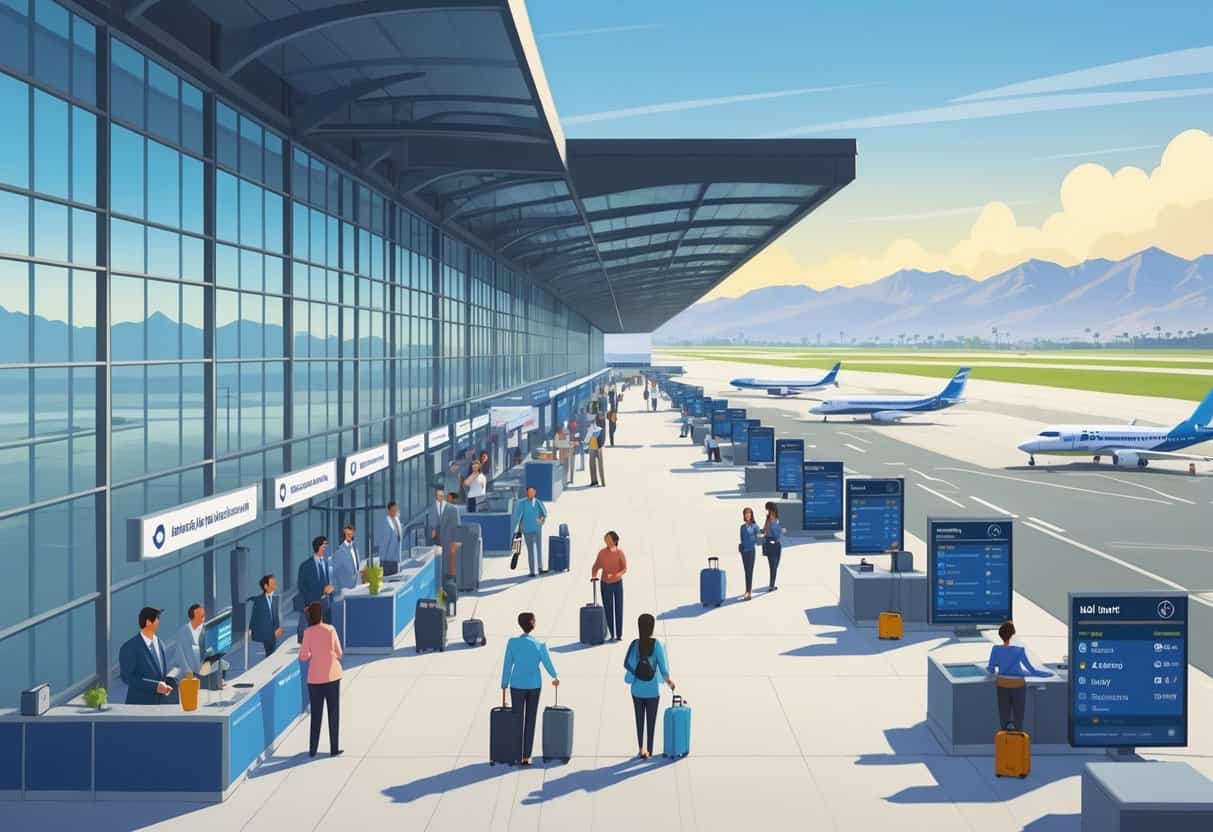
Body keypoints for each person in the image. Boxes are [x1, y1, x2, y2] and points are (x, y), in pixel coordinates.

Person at [500, 612, 559, 766]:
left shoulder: (512, 643)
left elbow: (507, 665)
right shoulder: (539, 645)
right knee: (530, 719)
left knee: (517, 719)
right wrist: (555, 676)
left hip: (516, 685)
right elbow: (548, 664)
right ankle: (527, 755)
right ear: (532, 624)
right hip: (534, 685)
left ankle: (517, 754)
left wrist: (504, 684)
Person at [624, 613, 675, 759]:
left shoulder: (635, 644)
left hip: (636, 690)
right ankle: (650, 750)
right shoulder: (657, 644)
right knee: (650, 722)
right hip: (652, 691)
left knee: (639, 720)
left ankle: (641, 749)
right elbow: (663, 668)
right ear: (652, 627)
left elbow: (629, 664)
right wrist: (669, 682)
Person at [987, 621, 1051, 730]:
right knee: (1018, 715)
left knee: (1004, 714)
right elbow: (1032, 670)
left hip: (1002, 684)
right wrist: (1047, 674)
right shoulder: (1019, 650)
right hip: (1018, 685)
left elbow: (991, 669)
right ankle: (1018, 738)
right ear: (1013, 634)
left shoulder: (996, 649)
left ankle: (1004, 740)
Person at [298, 602, 343, 758]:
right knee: (334, 713)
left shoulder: (308, 632)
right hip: (332, 676)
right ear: (322, 614)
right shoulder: (331, 630)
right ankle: (334, 748)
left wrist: (312, 654)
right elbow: (339, 652)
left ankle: (313, 749)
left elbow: (303, 656)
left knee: (316, 715)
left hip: (315, 679)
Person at [118, 607, 177, 705]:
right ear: (148, 622)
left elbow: (160, 675)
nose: (159, 622)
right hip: (139, 707)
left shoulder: (161, 644)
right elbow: (127, 677)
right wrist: (155, 686)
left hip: (160, 707)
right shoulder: (130, 647)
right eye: (157, 618)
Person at [172, 603, 223, 691]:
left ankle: (217, 681)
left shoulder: (202, 630)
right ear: (193, 618)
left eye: (203, 615)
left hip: (200, 671)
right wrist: (187, 670)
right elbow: (179, 655)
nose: (204, 617)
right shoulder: (183, 632)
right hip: (188, 675)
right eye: (201, 616)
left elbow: (204, 651)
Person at [591, 531, 628, 641]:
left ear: (615, 541)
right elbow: (596, 565)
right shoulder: (602, 553)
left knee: (618, 608)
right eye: (605, 539)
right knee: (608, 609)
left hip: (617, 584)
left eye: (608, 540)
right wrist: (593, 575)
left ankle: (619, 634)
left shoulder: (619, 553)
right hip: (605, 583)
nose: (606, 542)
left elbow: (624, 568)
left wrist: (616, 575)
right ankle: (612, 633)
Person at [510, 485, 548, 575]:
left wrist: (540, 521)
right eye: (529, 492)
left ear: (535, 493)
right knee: (530, 550)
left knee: (538, 548)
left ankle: (540, 568)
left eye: (532, 492)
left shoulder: (538, 502)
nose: (530, 493)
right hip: (527, 530)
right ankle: (532, 571)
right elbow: (518, 517)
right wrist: (516, 530)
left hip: (537, 529)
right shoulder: (522, 503)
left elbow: (544, 513)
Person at [298, 535, 335, 622]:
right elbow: (301, 587)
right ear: (318, 547)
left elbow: (327, 581)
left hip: (327, 607)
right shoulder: (305, 566)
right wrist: (311, 603)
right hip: (313, 608)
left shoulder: (326, 563)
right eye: (324, 546)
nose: (326, 549)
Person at [249, 574, 284, 657]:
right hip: (266, 631)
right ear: (266, 586)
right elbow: (254, 616)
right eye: (272, 584)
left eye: (275, 583)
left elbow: (277, 614)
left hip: (275, 630)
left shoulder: (276, 598)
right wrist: (250, 630)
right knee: (270, 652)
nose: (275, 586)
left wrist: (279, 627)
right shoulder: (259, 601)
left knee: (274, 652)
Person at [332, 524, 363, 593]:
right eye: (347, 534)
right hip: (346, 589)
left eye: (351, 534)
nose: (349, 536)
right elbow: (336, 573)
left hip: (358, 586)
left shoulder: (355, 548)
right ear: (344, 535)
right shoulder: (339, 552)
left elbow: (357, 567)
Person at [738, 507, 760, 601]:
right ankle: (747, 590)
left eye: (749, 513)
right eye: (746, 513)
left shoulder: (754, 526)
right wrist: (741, 549)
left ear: (751, 515)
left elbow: (758, 535)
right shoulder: (742, 527)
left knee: (749, 572)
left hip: (751, 551)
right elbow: (742, 539)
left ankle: (748, 592)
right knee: (746, 571)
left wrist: (760, 536)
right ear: (744, 515)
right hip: (744, 552)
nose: (747, 515)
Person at [376, 501, 404, 566]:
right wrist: (382, 560)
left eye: (395, 509)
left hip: (396, 555)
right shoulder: (386, 523)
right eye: (393, 510)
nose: (394, 511)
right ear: (388, 510)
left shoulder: (397, 520)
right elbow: (384, 542)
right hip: (388, 558)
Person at [762, 502, 782, 592]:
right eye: (768, 510)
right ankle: (772, 585)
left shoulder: (776, 519)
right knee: (772, 566)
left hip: (777, 543)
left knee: (776, 564)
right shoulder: (769, 520)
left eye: (769, 509)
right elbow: (767, 530)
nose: (768, 511)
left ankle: (772, 583)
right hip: (771, 543)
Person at [588, 417, 606, 487]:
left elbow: (587, 439)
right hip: (599, 447)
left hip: (592, 447)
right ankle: (603, 482)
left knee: (592, 464)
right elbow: (603, 439)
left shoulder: (591, 429)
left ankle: (594, 481)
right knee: (600, 465)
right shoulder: (601, 429)